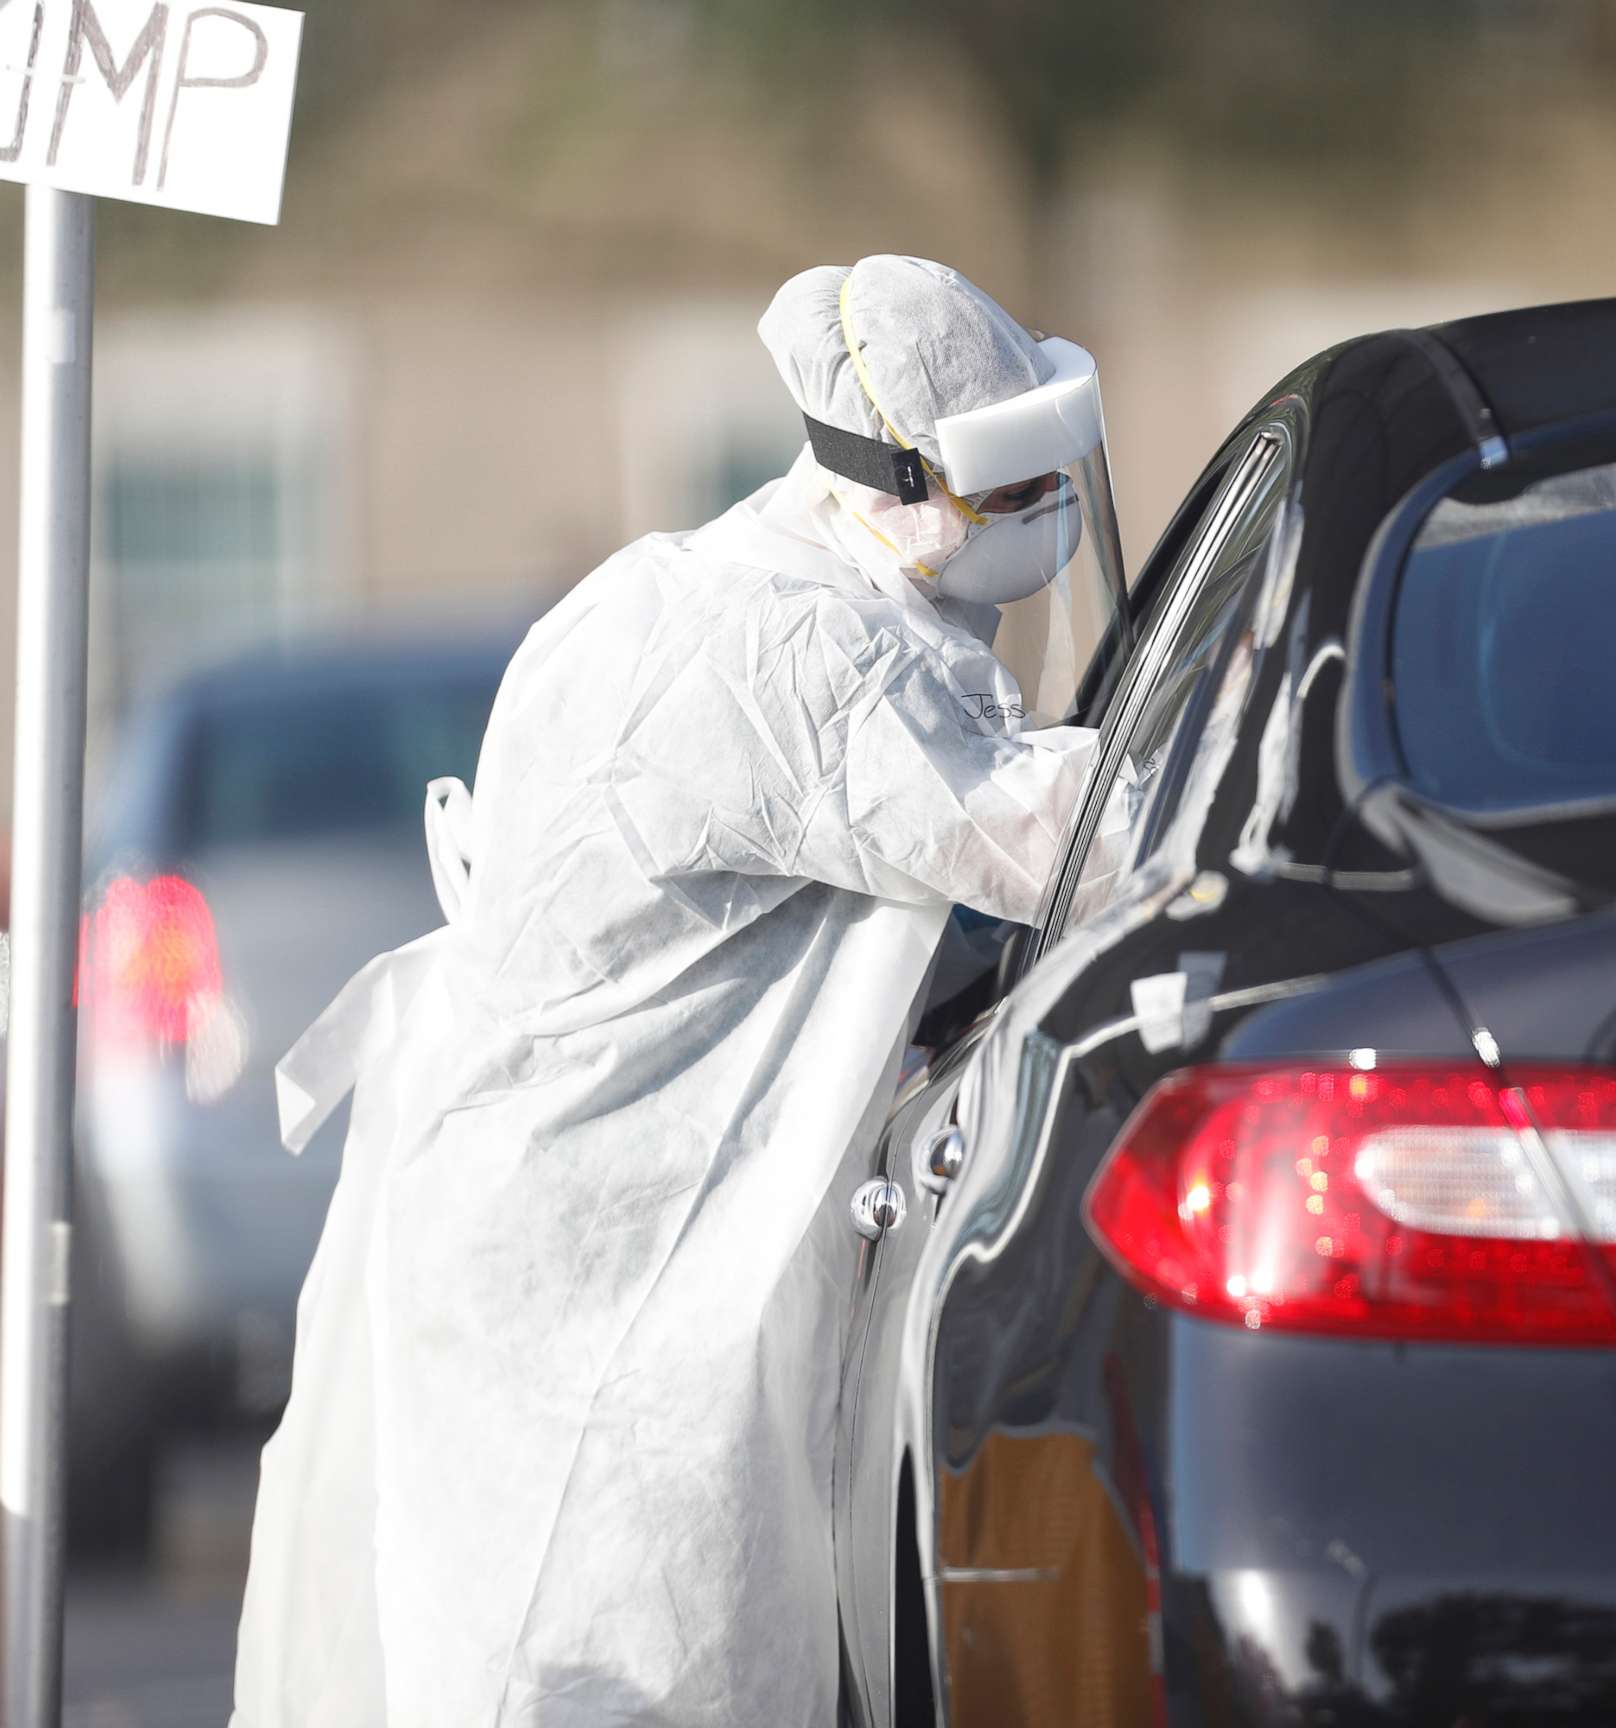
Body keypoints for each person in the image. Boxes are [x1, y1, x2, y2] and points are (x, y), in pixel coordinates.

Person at [232, 256, 1133, 1727]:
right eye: (1014, 479)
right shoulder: (793, 652)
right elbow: (1064, 843)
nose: (1048, 514)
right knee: (609, 1667)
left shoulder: (710, 585)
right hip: (594, 1298)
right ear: (905, 485)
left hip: (555, 1248)